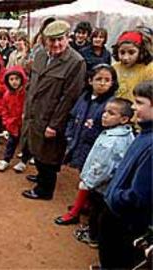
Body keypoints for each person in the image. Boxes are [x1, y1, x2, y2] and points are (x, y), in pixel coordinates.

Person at [21, 20, 86, 200]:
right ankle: (42, 176)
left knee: (49, 154)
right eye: (52, 40)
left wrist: (55, 125)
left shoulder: (76, 62)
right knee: (37, 149)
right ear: (44, 40)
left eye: (61, 39)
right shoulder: (41, 55)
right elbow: (32, 85)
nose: (56, 44)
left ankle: (44, 190)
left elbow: (70, 98)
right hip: (36, 113)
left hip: (52, 117)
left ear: (68, 38)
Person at [96, 80, 152, 269]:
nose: (133, 107)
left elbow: (140, 194)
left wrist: (116, 197)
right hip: (117, 210)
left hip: (124, 218)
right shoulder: (145, 134)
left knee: (117, 258)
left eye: (139, 102)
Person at [54, 64, 118, 225]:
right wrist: (69, 136)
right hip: (79, 143)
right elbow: (72, 116)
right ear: (90, 80)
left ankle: (75, 212)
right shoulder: (84, 97)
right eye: (98, 79)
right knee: (84, 175)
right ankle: (85, 204)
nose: (102, 83)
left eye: (107, 80)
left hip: (97, 150)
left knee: (89, 179)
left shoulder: (111, 104)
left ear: (113, 82)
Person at [69, 98, 134, 248]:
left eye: (111, 113)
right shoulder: (126, 134)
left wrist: (88, 182)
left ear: (124, 119)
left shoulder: (111, 142)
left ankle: (93, 236)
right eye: (105, 111)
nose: (104, 115)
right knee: (100, 210)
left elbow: (103, 168)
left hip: (101, 186)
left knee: (96, 210)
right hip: (110, 186)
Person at [0, 66, 26, 172]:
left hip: (25, 124)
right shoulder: (7, 95)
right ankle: (6, 160)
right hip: (13, 124)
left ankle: (23, 161)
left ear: (22, 79)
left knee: (26, 144)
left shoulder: (26, 94)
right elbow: (5, 111)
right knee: (11, 143)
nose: (14, 82)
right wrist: (6, 123)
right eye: (11, 79)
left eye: (17, 79)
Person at [113, 30, 153, 103]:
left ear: (141, 51)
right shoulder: (115, 67)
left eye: (131, 52)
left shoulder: (149, 69)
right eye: (122, 52)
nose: (126, 57)